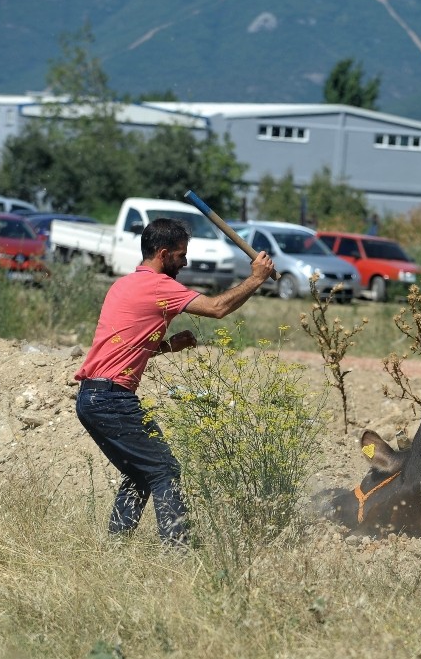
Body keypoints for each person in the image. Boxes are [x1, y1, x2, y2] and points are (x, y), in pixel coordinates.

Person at [75, 218, 274, 545]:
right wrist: (256, 278)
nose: (185, 262)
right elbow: (217, 307)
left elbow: (123, 348)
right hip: (112, 400)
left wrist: (167, 346)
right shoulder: (159, 286)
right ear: (164, 254)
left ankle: (115, 546)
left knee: (140, 473)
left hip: (91, 398)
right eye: (181, 255)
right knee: (164, 471)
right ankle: (178, 552)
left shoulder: (123, 285)